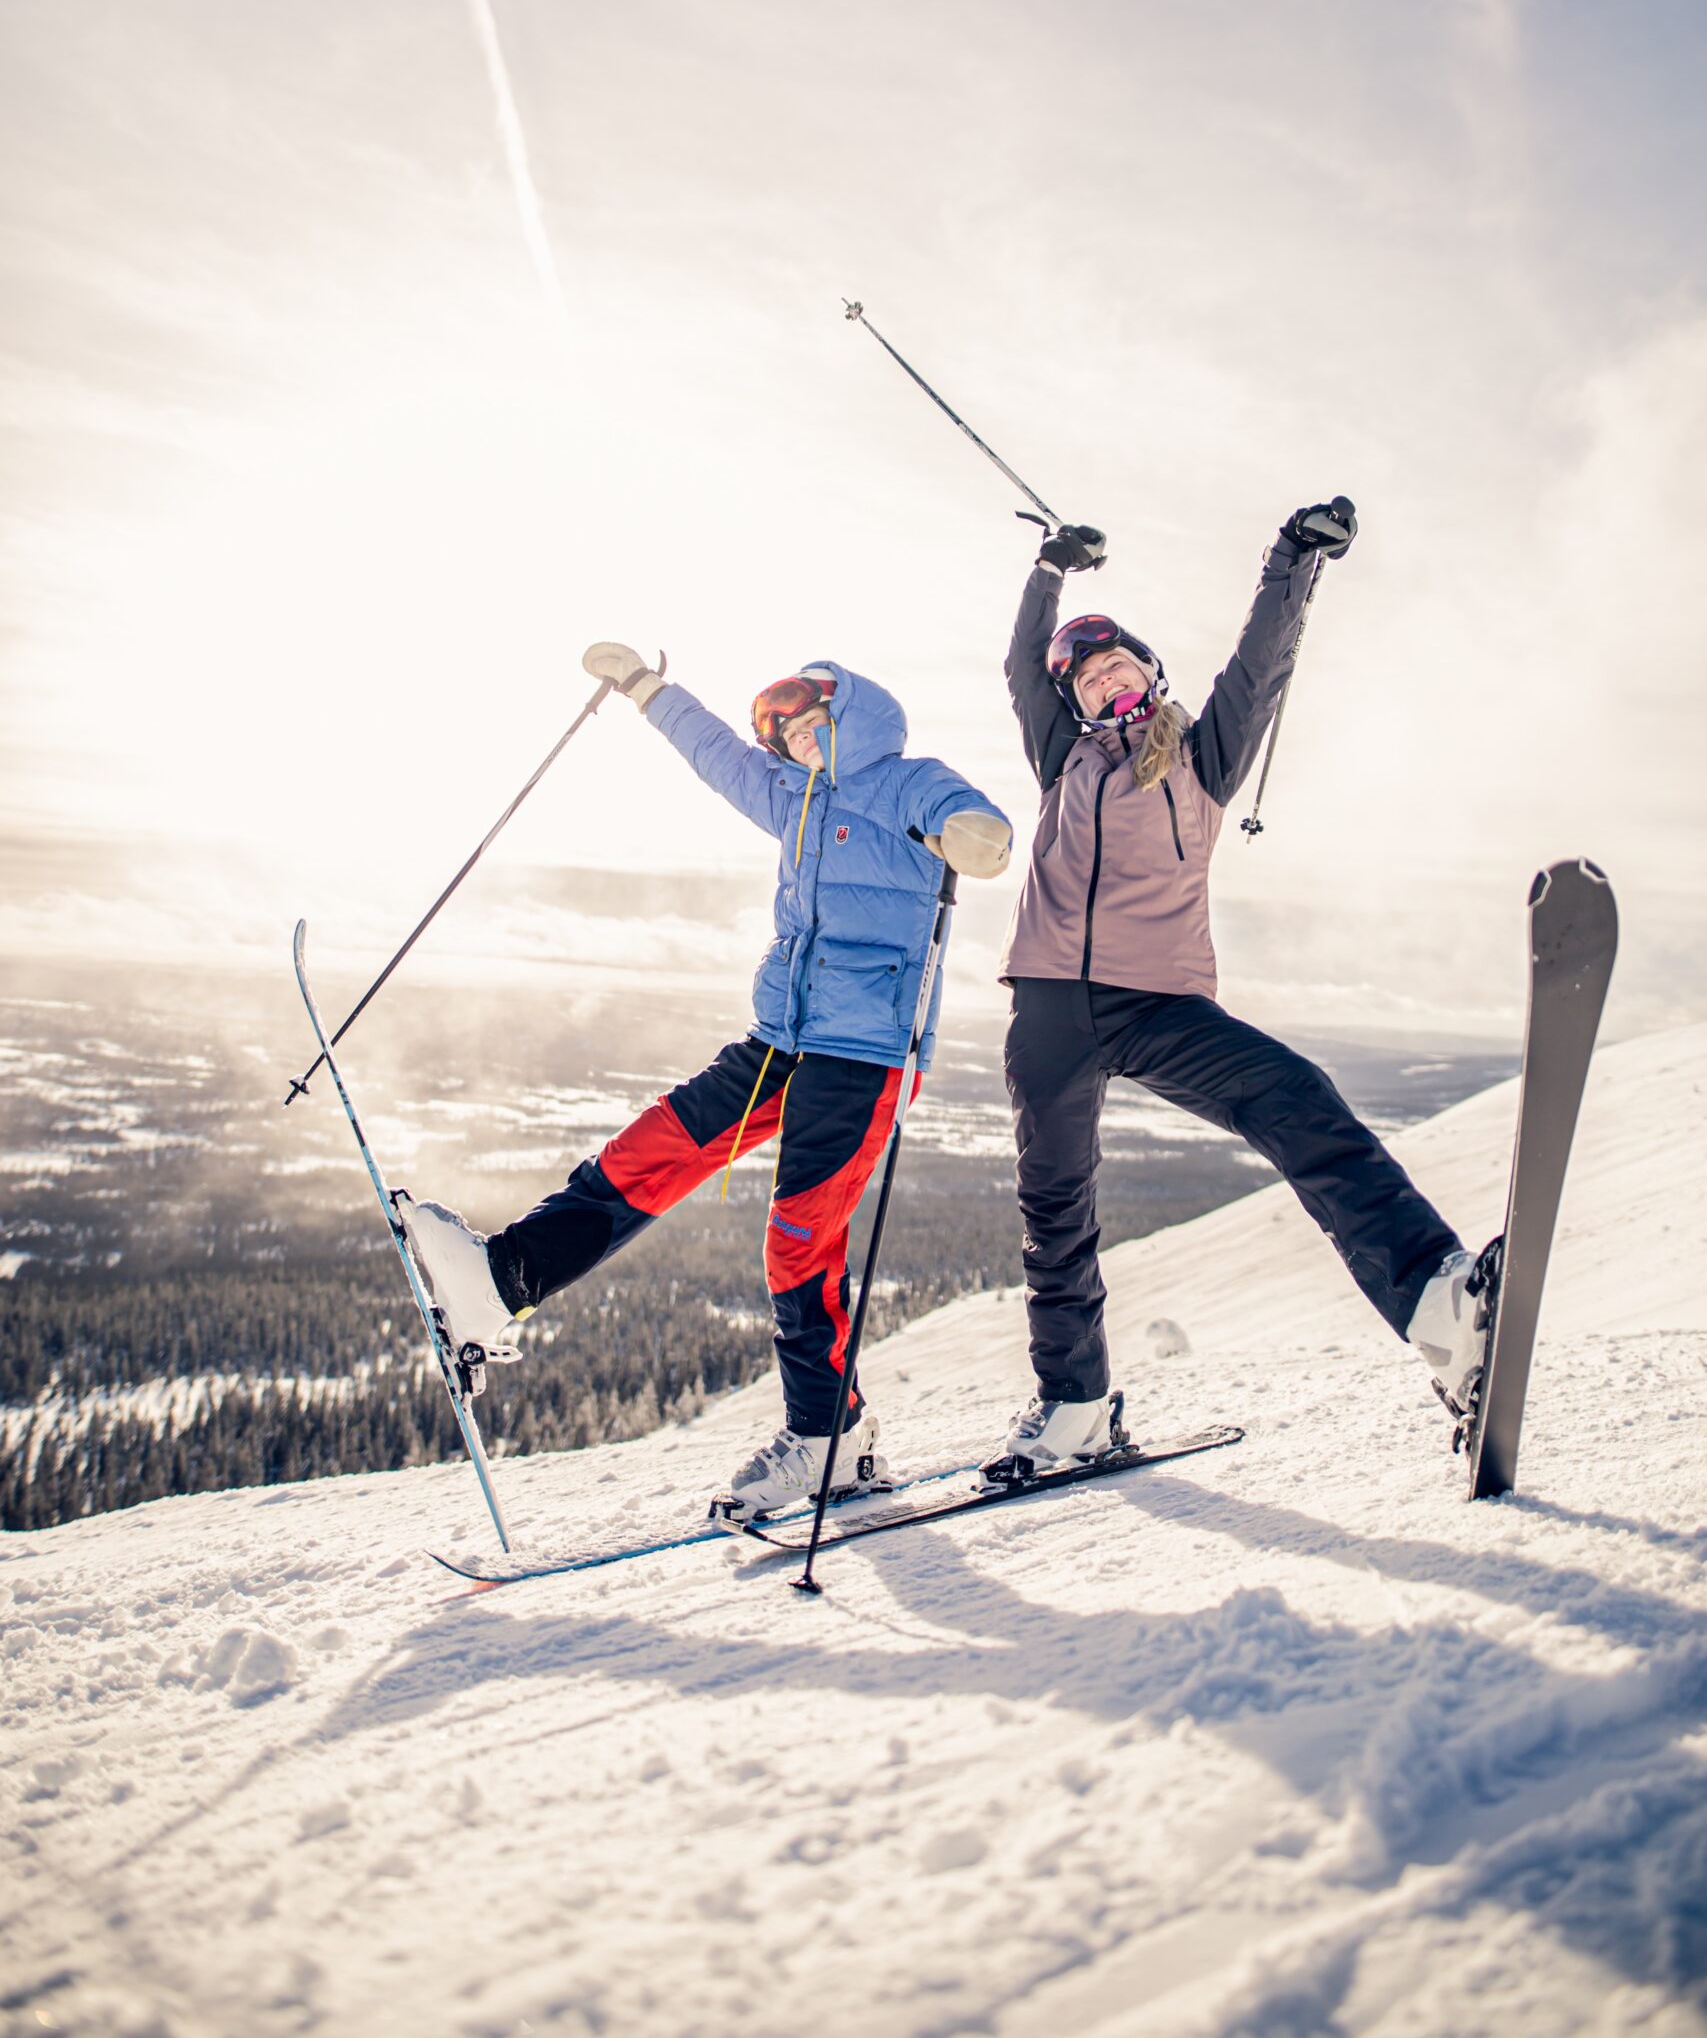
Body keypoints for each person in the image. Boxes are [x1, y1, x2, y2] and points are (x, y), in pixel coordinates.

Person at [404, 645, 1012, 1519]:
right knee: (653, 1148)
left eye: (812, 723)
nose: (801, 742)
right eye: (789, 735)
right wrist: (648, 690)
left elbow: (972, 823)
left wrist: (971, 838)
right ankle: (504, 1280)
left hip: (865, 1054)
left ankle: (827, 1439)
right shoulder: (791, 801)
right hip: (781, 1037)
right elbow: (718, 755)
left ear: (852, 714)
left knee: (799, 1239)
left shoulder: (907, 779)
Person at [986, 504, 1488, 1476]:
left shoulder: (1204, 760)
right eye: (1086, 677)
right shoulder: (1063, 759)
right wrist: (1049, 570)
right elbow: (1020, 670)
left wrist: (1293, 559)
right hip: (1050, 1003)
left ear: (1149, 670)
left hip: (1160, 1002)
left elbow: (1259, 662)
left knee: (1292, 1094)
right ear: (1077, 703)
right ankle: (1074, 1406)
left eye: (1116, 662)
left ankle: (1440, 1302)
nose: (1103, 676)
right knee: (1056, 1208)